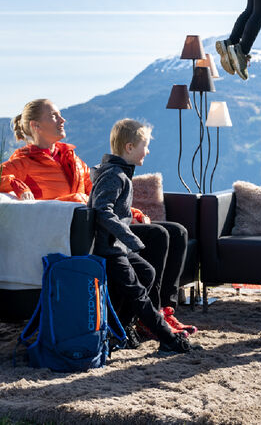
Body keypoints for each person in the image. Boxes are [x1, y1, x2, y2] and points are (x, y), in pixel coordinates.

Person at [89, 118, 200, 354]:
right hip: (109, 249)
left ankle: (120, 328)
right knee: (138, 293)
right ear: (129, 148)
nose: (147, 151)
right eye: (144, 145)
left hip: (118, 246)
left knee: (147, 272)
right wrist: (130, 238)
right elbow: (101, 211)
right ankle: (168, 339)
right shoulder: (114, 176)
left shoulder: (120, 173)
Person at [0, 98, 91, 202]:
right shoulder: (22, 164)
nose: (62, 120)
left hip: (81, 230)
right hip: (48, 230)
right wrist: (12, 183)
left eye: (60, 115)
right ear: (35, 125)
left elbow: (95, 193)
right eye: (54, 116)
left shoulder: (75, 161)